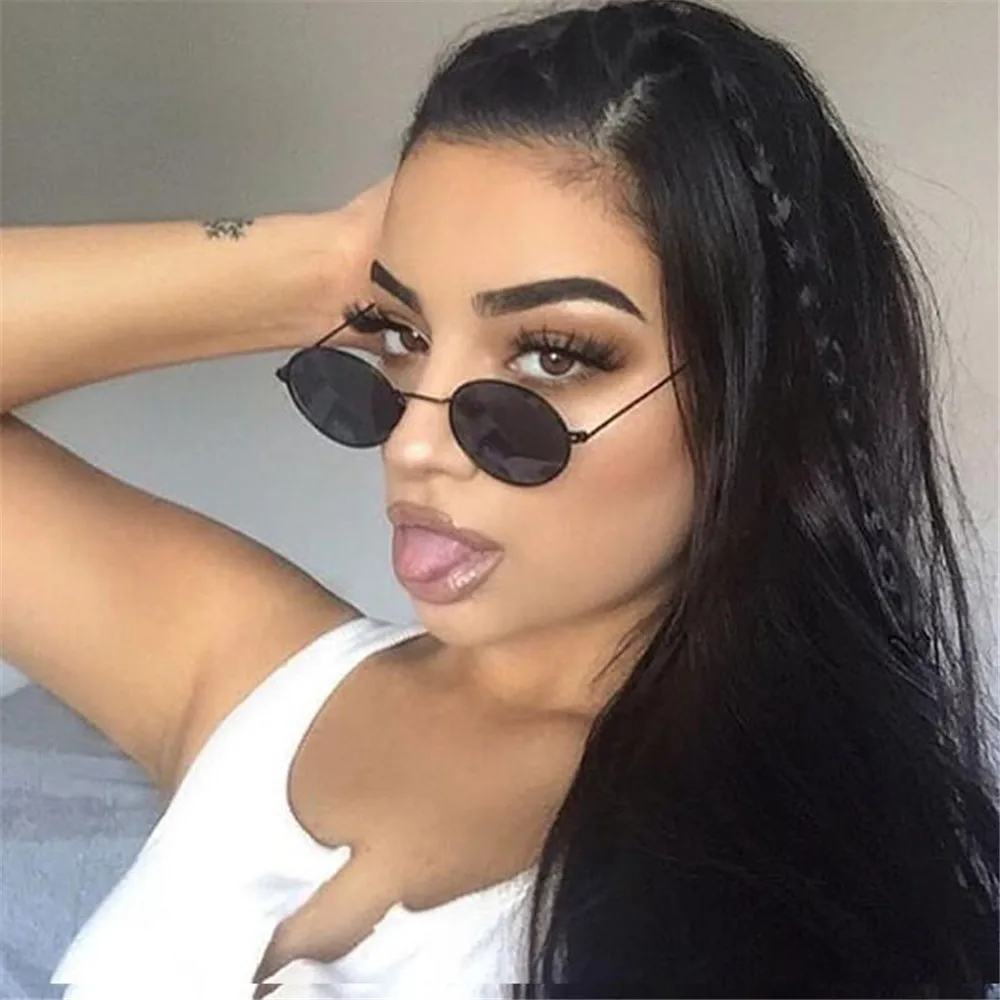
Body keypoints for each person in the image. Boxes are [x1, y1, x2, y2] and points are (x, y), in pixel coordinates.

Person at [2, 0, 997, 996]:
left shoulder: (792, 884)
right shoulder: (255, 680)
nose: (414, 440)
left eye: (552, 354)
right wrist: (321, 267)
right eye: (398, 337)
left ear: (763, 398)